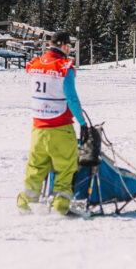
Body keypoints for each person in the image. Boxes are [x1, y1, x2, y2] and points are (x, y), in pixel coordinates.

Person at [18, 30, 87, 214]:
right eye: (69, 47)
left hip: (38, 129)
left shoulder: (34, 64)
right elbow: (72, 100)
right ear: (65, 46)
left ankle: (25, 204)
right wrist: (83, 123)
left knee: (36, 168)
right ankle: (60, 207)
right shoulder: (65, 67)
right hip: (60, 128)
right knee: (65, 168)